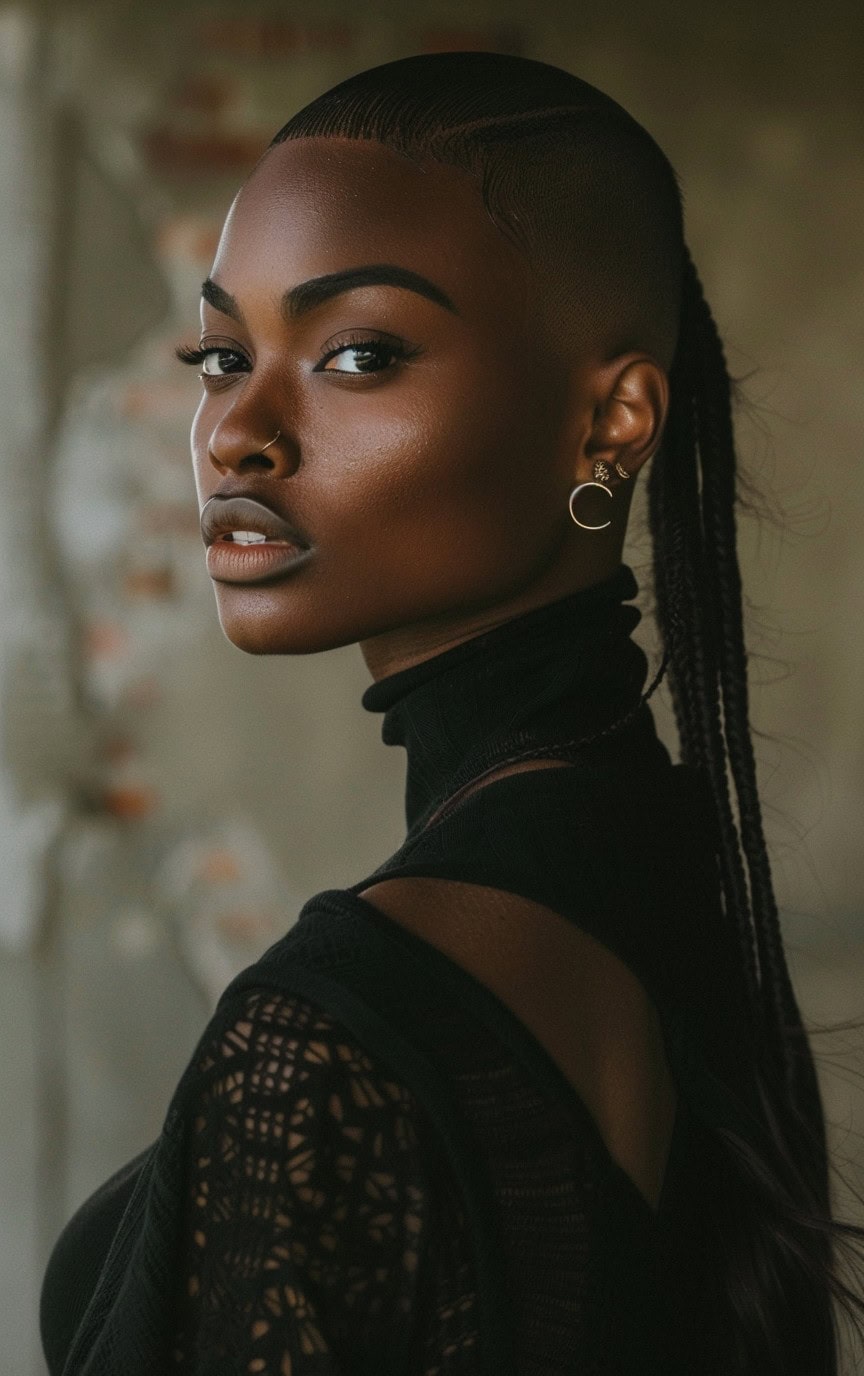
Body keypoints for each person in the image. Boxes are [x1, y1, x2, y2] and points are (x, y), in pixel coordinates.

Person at [40, 50, 864, 1376]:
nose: (236, 432)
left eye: (356, 351)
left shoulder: (330, 1032)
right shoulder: (659, 863)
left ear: (612, 421)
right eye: (220, 354)